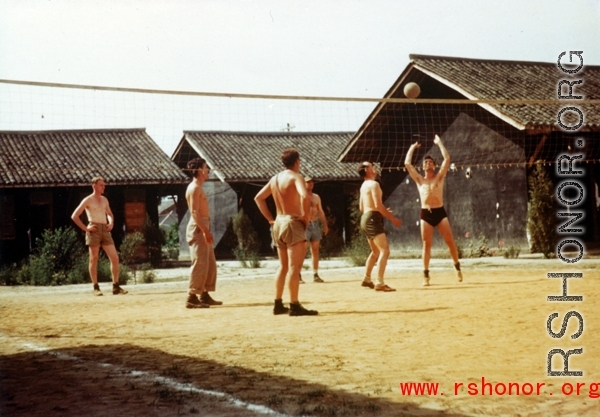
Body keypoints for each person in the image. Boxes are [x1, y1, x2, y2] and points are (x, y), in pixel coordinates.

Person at [255, 148, 318, 316]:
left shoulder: (275, 179)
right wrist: (305, 217)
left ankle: (277, 303)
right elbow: (305, 196)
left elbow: (258, 198)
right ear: (297, 161)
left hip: (279, 222)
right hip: (292, 222)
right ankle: (295, 305)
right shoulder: (296, 177)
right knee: (293, 267)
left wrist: (270, 219)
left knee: (283, 266)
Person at [404, 134, 463, 286]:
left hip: (439, 211)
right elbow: (407, 164)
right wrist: (412, 147)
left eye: (430, 162)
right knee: (426, 244)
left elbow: (447, 159)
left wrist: (439, 143)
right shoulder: (420, 180)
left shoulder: (439, 177)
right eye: (426, 162)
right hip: (426, 213)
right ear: (423, 166)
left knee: (450, 242)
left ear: (434, 166)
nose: (428, 164)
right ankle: (425, 275)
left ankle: (457, 268)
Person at [71, 177, 127, 296]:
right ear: (94, 186)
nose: (103, 187)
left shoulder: (104, 200)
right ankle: (96, 287)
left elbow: (110, 214)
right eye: (101, 185)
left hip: (105, 229)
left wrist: (111, 222)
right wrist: (86, 228)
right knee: (94, 258)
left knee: (115, 258)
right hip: (93, 229)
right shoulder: (88, 200)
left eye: (104, 185)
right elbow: (74, 216)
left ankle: (116, 286)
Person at [184, 157, 222, 308]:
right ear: (200, 170)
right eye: (206, 167)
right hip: (198, 228)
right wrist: (205, 231)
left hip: (204, 226)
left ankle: (204, 294)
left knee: (209, 263)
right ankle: (192, 296)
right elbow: (194, 212)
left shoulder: (199, 187)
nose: (208, 170)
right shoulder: (194, 188)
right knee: (199, 263)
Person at [358, 162, 402, 292]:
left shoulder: (363, 186)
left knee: (375, 251)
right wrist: (392, 218)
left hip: (365, 218)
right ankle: (380, 282)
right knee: (385, 251)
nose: (374, 167)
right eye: (371, 166)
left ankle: (367, 279)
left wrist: (381, 212)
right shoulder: (374, 184)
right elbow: (377, 205)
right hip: (372, 218)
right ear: (367, 170)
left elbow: (361, 208)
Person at [303, 176, 329, 283]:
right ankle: (298, 274)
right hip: (304, 225)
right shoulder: (301, 196)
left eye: (312, 182)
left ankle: (315, 274)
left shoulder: (316, 197)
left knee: (315, 250)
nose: (310, 184)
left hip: (315, 224)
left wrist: (325, 225)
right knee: (302, 251)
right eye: (308, 182)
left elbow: (321, 211)